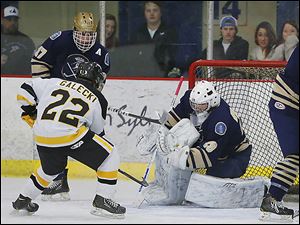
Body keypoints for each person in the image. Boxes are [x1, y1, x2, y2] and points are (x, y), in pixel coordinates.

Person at [12, 61, 126, 218]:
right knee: (110, 154)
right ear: (96, 80)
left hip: (41, 135)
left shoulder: (55, 82)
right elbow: (97, 133)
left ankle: (23, 200)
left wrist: (31, 111)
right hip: (69, 135)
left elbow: (25, 90)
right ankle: (103, 201)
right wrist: (106, 167)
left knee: (50, 169)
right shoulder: (99, 98)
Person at [136, 80, 268, 208]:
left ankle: (258, 190)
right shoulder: (192, 100)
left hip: (233, 157)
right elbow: (175, 117)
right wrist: (162, 128)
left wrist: (180, 158)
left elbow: (207, 157)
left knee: (209, 185)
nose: (196, 109)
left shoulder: (220, 122)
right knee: (182, 137)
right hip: (210, 145)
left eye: (201, 106)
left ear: (212, 101)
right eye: (194, 105)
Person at [30, 12, 110, 201]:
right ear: (74, 31)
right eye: (82, 34)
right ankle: (57, 178)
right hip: (54, 98)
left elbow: (96, 89)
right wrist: (45, 93)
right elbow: (38, 62)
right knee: (49, 136)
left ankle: (64, 179)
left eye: (89, 34)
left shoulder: (102, 55)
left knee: (68, 136)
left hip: (75, 103)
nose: (85, 39)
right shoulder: (58, 40)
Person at [260, 46, 299, 221]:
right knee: (295, 154)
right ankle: (272, 199)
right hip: (286, 105)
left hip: (293, 105)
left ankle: (273, 198)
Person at [129, 1, 180, 77]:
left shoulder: (170, 33)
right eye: (148, 11)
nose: (151, 14)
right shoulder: (137, 34)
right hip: (142, 76)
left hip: (164, 76)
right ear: (144, 13)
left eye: (155, 10)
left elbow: (173, 56)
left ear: (161, 12)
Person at [1, 6, 35, 75]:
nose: (13, 23)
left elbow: (33, 61)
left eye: (15, 20)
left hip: (21, 79)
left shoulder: (26, 40)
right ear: (2, 20)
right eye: (9, 19)